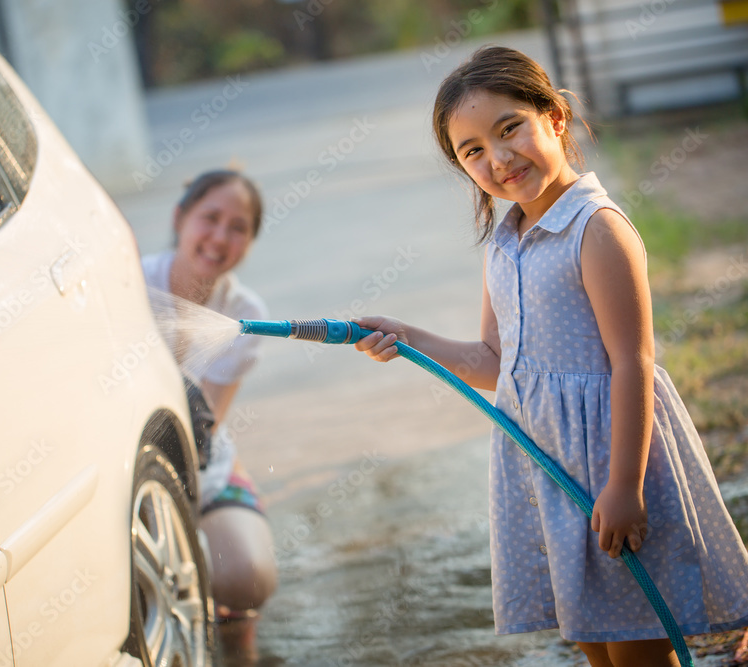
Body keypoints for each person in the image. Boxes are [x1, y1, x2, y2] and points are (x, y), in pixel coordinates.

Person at [354, 46, 748, 667]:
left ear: (556, 118)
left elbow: (632, 363)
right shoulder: (504, 244)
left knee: (637, 642)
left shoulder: (597, 230)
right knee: (593, 639)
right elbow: (493, 361)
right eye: (473, 150)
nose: (499, 158)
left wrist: (624, 486)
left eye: (510, 128)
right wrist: (406, 336)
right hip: (547, 472)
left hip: (608, 464)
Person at [141, 169, 278, 654]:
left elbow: (207, 426)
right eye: (210, 218)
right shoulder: (129, 284)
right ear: (180, 218)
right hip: (124, 459)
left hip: (200, 461)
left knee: (247, 579)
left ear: (250, 242)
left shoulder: (245, 312)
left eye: (238, 227)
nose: (221, 237)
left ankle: (238, 643)